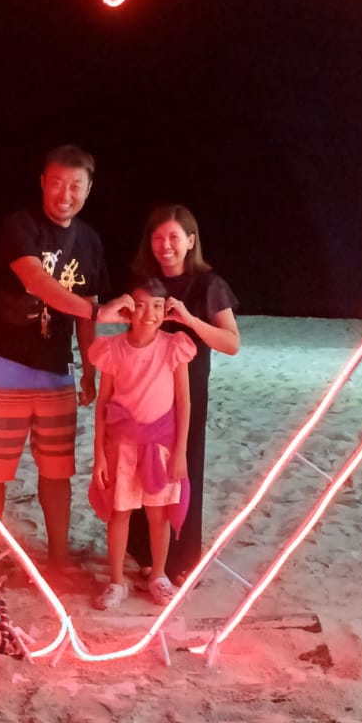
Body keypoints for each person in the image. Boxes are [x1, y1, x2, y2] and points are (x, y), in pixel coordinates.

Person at [0, 144, 111, 572]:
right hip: (7, 359)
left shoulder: (89, 241)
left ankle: (56, 558)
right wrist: (93, 310)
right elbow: (36, 281)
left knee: (57, 467)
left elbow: (88, 302)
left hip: (56, 368)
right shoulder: (20, 226)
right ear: (42, 183)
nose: (65, 194)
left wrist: (90, 369)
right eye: (56, 183)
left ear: (89, 189)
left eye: (75, 185)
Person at [127, 205, 239, 583]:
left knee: (184, 467)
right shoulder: (145, 282)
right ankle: (144, 553)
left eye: (174, 237)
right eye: (158, 238)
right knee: (144, 467)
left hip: (189, 391)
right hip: (144, 390)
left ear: (190, 241)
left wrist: (190, 320)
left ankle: (181, 558)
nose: (166, 246)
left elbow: (231, 343)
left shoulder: (209, 284)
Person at [88, 279, 196, 610]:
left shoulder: (173, 346)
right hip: (120, 445)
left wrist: (180, 453)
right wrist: (99, 457)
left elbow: (184, 403)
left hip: (160, 446)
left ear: (166, 311)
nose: (149, 314)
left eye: (157, 307)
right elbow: (103, 403)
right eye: (142, 305)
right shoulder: (113, 349)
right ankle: (117, 581)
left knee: (158, 515)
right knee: (119, 513)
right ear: (129, 309)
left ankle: (158, 576)